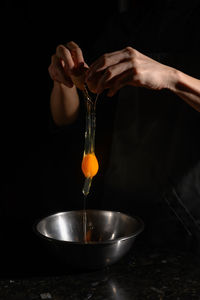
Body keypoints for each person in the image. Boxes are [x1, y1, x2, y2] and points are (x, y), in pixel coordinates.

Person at [48, 1, 200, 251]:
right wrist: (63, 78)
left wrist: (171, 77)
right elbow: (65, 117)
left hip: (187, 220)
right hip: (120, 214)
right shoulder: (130, 21)